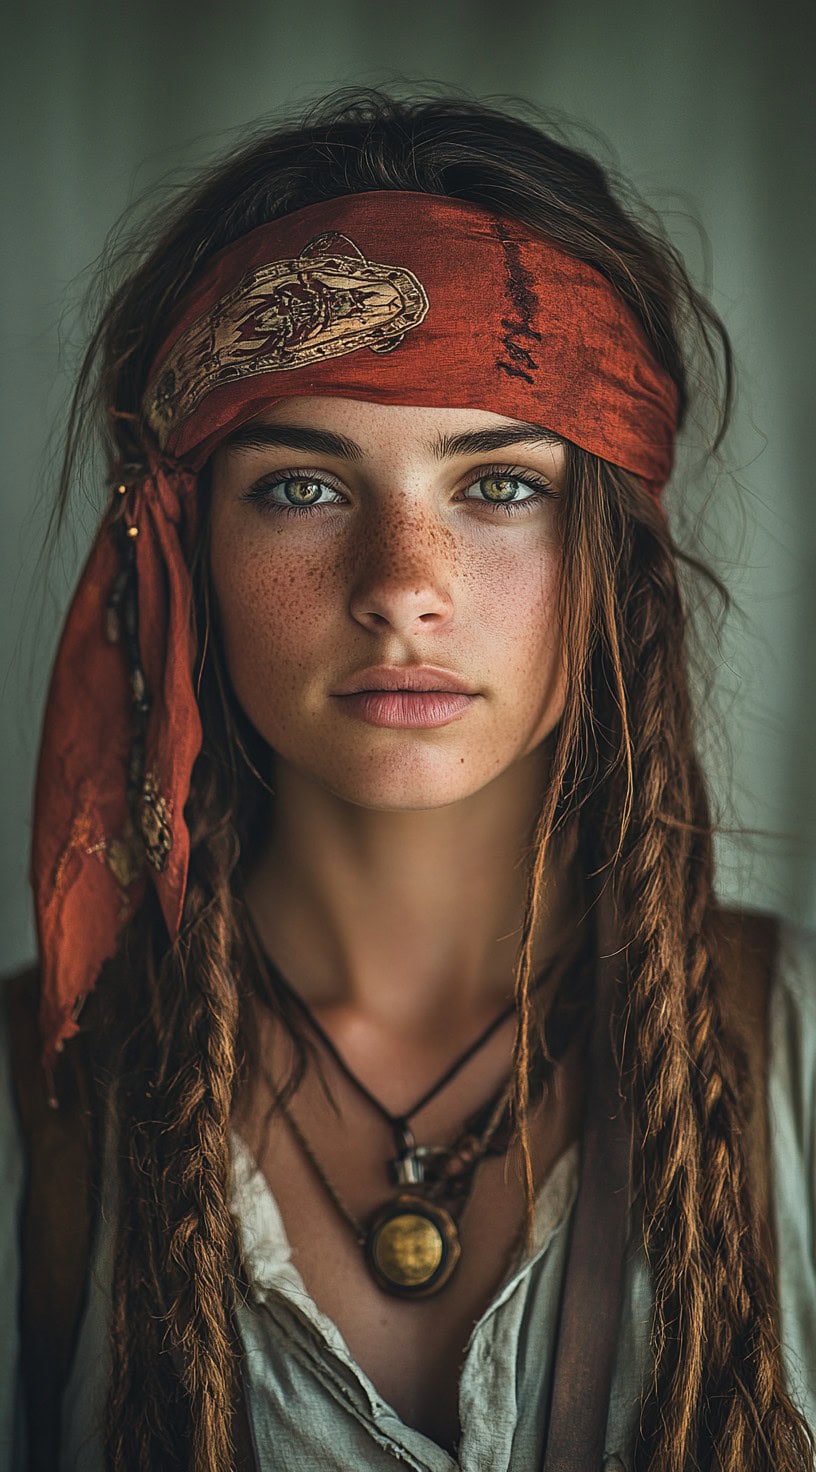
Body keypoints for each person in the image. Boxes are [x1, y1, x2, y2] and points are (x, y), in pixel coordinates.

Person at [1, 86, 814, 1472]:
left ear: (613, 554)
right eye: (302, 486)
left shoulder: (794, 1060)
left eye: (498, 486)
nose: (400, 592)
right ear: (181, 543)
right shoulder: (39, 1109)